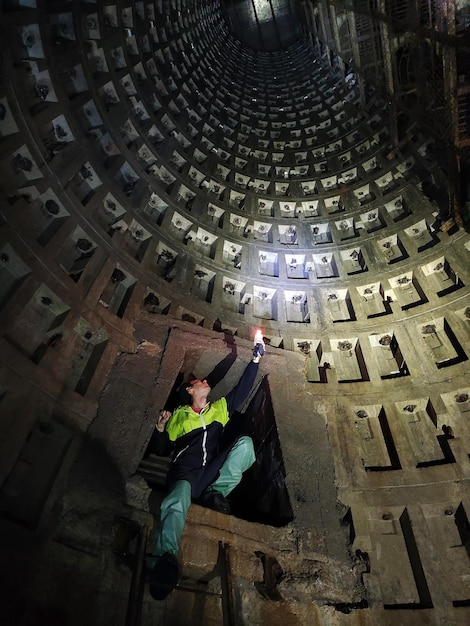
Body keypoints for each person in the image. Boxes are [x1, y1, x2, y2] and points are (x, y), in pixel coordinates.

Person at [146, 331, 266, 600]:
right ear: (190, 390)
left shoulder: (217, 410)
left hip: (207, 474)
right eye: (197, 381)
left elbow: (241, 392)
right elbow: (161, 449)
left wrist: (255, 360)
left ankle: (217, 492)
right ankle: (164, 557)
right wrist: (161, 427)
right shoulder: (179, 416)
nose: (202, 381)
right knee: (175, 502)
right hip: (185, 474)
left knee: (245, 445)